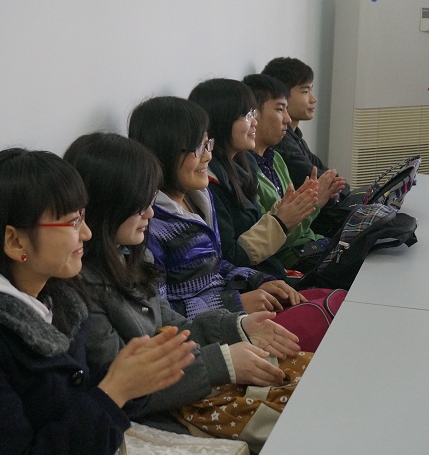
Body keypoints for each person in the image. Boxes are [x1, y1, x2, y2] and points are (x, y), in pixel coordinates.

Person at [0, 148, 196, 454]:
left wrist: (133, 377)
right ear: (15, 241)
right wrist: (116, 390)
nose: (86, 233)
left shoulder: (57, 294)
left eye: (83, 216)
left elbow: (79, 398)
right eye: (72, 222)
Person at [63, 132, 301, 433]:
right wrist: (222, 361)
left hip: (185, 383)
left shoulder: (135, 254)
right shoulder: (81, 287)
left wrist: (238, 326)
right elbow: (124, 387)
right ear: (107, 205)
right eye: (139, 205)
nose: (150, 212)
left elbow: (171, 324)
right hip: (156, 410)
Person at [127, 96, 304, 318]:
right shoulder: (150, 224)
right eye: (198, 148)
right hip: (214, 328)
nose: (208, 155)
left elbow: (216, 267)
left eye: (207, 144)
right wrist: (235, 303)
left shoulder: (199, 198)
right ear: (165, 151)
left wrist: (258, 280)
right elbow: (161, 315)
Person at [187, 77, 319, 279]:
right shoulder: (208, 182)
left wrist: (285, 212)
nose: (255, 122)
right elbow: (230, 258)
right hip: (255, 282)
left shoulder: (243, 164)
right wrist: (281, 221)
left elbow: (255, 225)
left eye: (253, 114)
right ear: (222, 119)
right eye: (247, 115)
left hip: (268, 274)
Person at [262, 57, 354, 235]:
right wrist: (333, 191)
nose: (313, 98)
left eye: (311, 90)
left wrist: (336, 190)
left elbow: (330, 177)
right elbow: (322, 186)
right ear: (282, 96)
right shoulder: (281, 144)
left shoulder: (294, 136)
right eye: (305, 91)